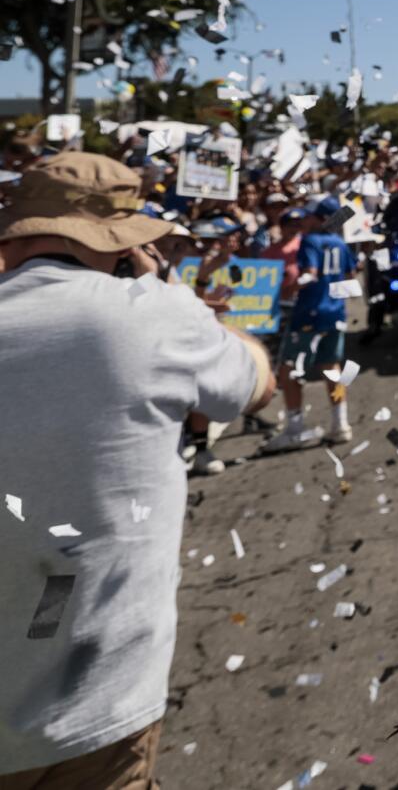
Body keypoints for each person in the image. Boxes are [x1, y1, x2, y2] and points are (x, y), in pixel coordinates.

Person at [0, 154, 274, 786]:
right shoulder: (153, 313)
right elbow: (249, 386)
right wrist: (180, 301)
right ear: (120, 239)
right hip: (93, 704)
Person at [260, 196, 358, 452]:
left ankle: (295, 429)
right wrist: (331, 300)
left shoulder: (311, 242)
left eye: (309, 216)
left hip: (308, 315)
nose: (304, 221)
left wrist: (290, 290)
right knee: (331, 369)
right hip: (334, 315)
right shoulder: (340, 243)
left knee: (290, 370)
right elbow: (351, 279)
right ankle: (340, 424)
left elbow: (309, 275)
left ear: (321, 219)